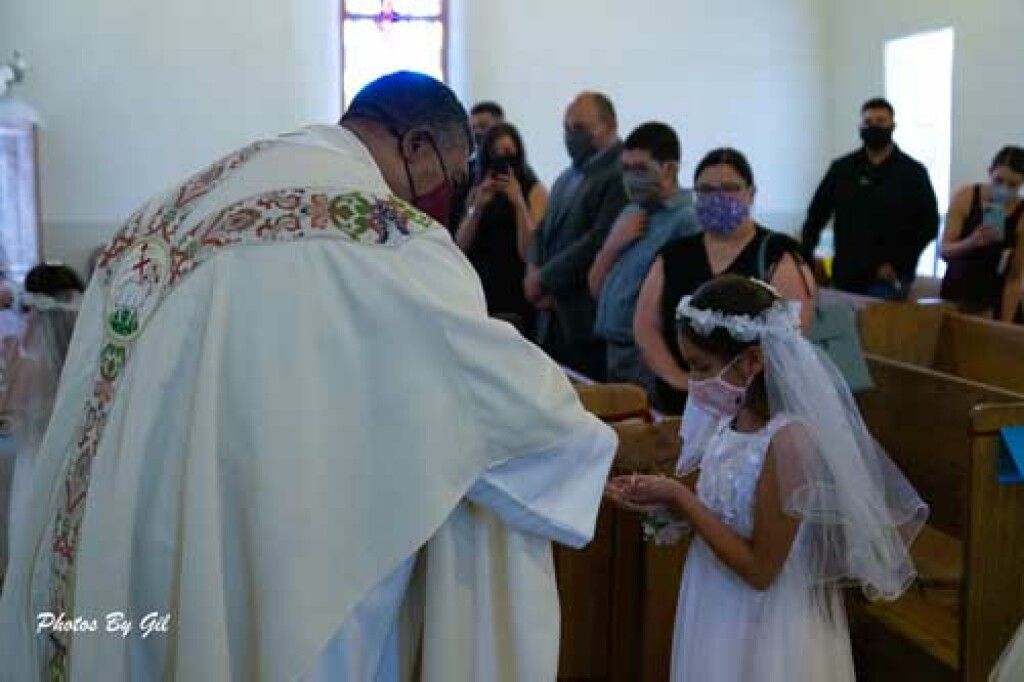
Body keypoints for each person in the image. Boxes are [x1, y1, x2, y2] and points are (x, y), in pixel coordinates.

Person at [0, 72, 618, 681]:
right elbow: (490, 392)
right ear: (417, 147)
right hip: (255, 557)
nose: (447, 195)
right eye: (453, 176)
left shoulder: (172, 210)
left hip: (128, 546)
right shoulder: (383, 237)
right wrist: (589, 444)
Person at [606, 275, 927, 681]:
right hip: (715, 595)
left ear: (752, 362)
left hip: (765, 618)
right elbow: (726, 508)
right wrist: (668, 505)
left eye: (702, 367)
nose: (695, 382)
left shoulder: (789, 441)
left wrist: (681, 499)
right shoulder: (731, 418)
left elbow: (761, 570)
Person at [634, 148, 814, 414]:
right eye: (706, 190)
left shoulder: (777, 254)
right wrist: (678, 377)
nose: (718, 197)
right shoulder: (674, 255)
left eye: (730, 188)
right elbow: (646, 325)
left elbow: (791, 335)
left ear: (751, 194)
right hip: (682, 401)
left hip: (752, 406)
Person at [525, 91, 627, 380]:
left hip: (585, 315)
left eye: (579, 128)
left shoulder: (619, 174)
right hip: (552, 315)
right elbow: (542, 230)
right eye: (567, 128)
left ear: (608, 127)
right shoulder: (567, 176)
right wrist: (533, 269)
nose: (571, 135)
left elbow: (598, 240)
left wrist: (544, 279)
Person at [590, 122, 698, 391]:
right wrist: (613, 245)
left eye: (640, 169)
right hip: (612, 347)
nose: (631, 178)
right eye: (625, 169)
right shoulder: (630, 213)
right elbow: (595, 286)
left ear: (669, 169)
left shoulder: (687, 222)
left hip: (647, 353)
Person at [801, 98, 939, 299]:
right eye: (868, 122)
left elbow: (928, 225)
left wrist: (898, 264)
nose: (873, 126)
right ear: (860, 127)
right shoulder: (842, 169)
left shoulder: (913, 173)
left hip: (890, 277)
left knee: (880, 330)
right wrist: (805, 258)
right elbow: (816, 215)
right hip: (847, 273)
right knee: (844, 329)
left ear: (893, 126)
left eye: (881, 121)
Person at [0, 263, 82, 586]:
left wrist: (11, 366)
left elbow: (7, 411)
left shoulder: (30, 363)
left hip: (36, 464)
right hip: (73, 459)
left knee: (32, 540)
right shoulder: (84, 356)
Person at [455, 123, 548, 333]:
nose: (502, 160)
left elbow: (530, 252)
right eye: (496, 153)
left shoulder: (534, 190)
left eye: (508, 153)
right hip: (480, 287)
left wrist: (518, 204)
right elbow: (459, 246)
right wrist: (477, 208)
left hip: (515, 288)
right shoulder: (475, 191)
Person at [940, 146, 1024, 321]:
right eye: (998, 181)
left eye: (1012, 185)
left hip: (995, 300)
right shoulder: (966, 196)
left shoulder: (1021, 214)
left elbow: (1015, 277)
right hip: (958, 292)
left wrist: (1003, 325)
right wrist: (970, 242)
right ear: (989, 173)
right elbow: (944, 251)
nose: (1004, 189)